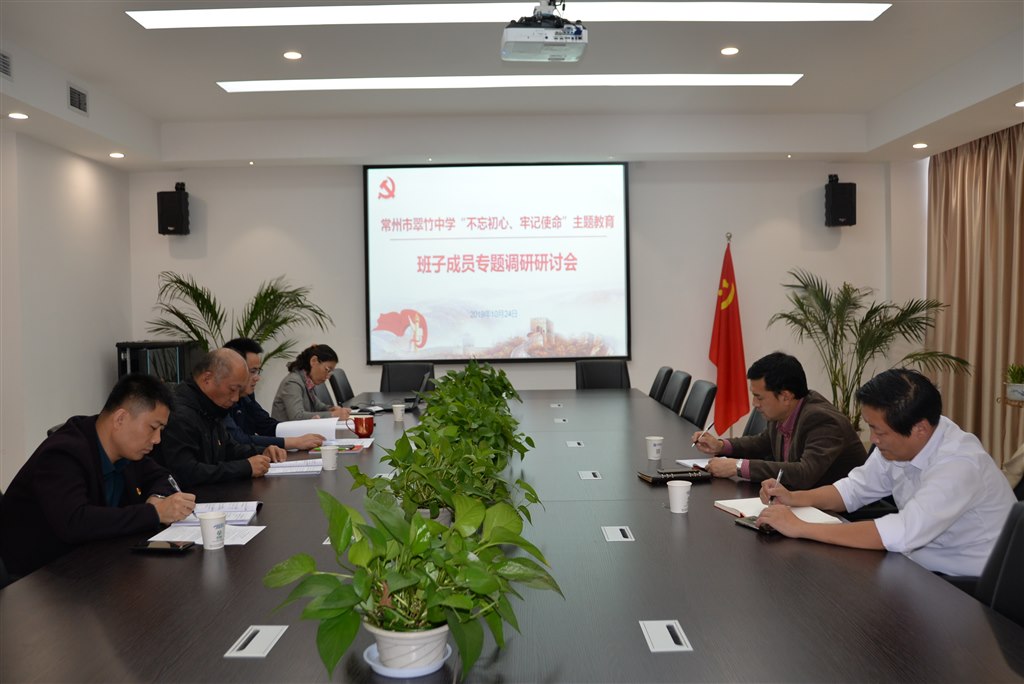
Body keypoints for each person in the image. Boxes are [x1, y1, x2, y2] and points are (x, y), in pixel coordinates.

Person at [757, 368, 1016, 577]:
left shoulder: (958, 465)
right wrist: (794, 497)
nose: (873, 439)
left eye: (879, 431)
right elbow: (853, 489)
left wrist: (800, 527)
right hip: (916, 565)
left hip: (969, 586)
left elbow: (900, 532)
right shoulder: (904, 440)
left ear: (920, 429)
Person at [0, 374, 196, 579]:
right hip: (36, 578)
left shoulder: (127, 452)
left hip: (94, 564)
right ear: (120, 419)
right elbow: (75, 522)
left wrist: (158, 497)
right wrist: (153, 513)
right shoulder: (62, 454)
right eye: (153, 428)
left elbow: (163, 477)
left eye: (161, 430)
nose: (157, 439)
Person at [693, 352, 867, 489]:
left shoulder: (822, 419)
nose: (754, 404)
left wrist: (737, 467)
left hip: (840, 515)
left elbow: (804, 473)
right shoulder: (785, 410)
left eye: (759, 397)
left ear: (785, 396)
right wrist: (721, 446)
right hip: (799, 501)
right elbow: (763, 442)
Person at [153, 348, 287, 488]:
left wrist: (262, 451)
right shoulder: (179, 412)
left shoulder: (210, 406)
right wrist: (246, 467)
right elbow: (187, 472)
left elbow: (228, 449)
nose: (235, 398)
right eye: (232, 389)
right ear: (207, 379)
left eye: (239, 391)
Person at [223, 337, 324, 451]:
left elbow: (265, 425)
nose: (257, 378)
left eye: (258, 371)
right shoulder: (221, 400)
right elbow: (239, 439)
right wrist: (292, 442)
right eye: (252, 371)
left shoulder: (246, 395)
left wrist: (304, 427)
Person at [271, 344, 351, 421]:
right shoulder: (292, 382)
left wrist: (332, 409)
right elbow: (297, 416)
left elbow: (317, 406)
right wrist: (333, 415)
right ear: (314, 361)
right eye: (327, 370)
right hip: (287, 430)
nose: (328, 376)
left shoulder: (306, 381)